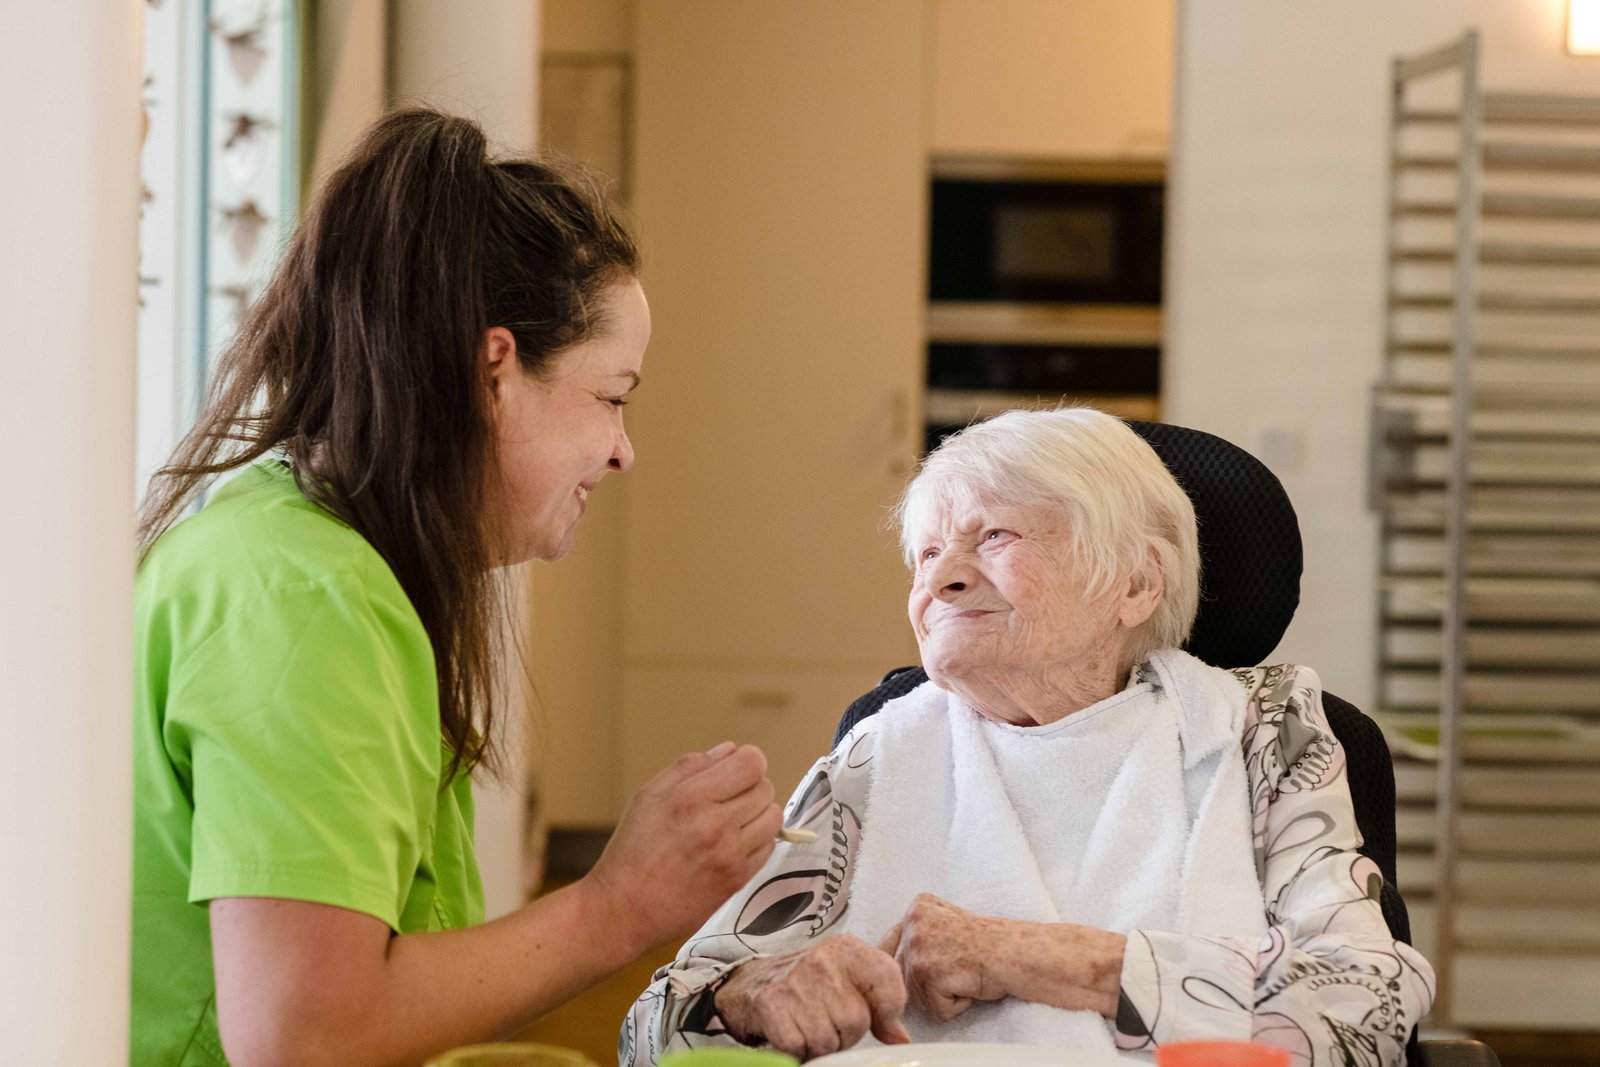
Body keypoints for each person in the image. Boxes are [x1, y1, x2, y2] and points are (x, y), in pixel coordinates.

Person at [132, 107, 783, 1066]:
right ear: (496, 370)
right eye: (611, 394)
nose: (622, 447)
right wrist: (619, 904)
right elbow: (302, 1033)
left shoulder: (289, 547)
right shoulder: (307, 599)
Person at [624, 407, 1436, 1065]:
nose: (939, 577)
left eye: (996, 536)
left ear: (1135, 583)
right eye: (929, 551)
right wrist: (762, 988)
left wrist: (1026, 956)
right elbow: (653, 1027)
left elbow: (1366, 1001)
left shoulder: (1264, 733)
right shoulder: (882, 753)